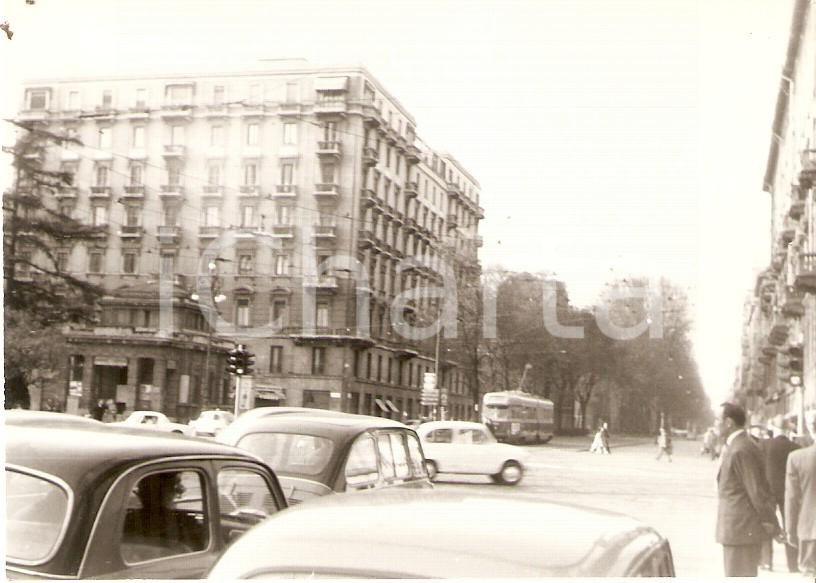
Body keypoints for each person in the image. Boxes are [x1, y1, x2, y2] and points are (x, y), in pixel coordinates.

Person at [715, 402, 780, 577]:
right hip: (738, 531)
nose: (715, 424)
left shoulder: (741, 449)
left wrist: (773, 524)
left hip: (741, 531)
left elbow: (756, 491)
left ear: (728, 422)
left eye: (717, 419)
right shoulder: (739, 446)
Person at [759, 417, 800, 572]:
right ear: (788, 430)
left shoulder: (763, 445)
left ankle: (766, 561)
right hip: (788, 491)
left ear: (773, 428)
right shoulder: (795, 447)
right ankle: (793, 564)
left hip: (768, 491)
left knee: (768, 523)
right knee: (790, 524)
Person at [785, 410, 816, 576]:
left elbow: (792, 498)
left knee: (810, 573)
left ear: (811, 429)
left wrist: (790, 529)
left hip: (809, 529)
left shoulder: (796, 458)